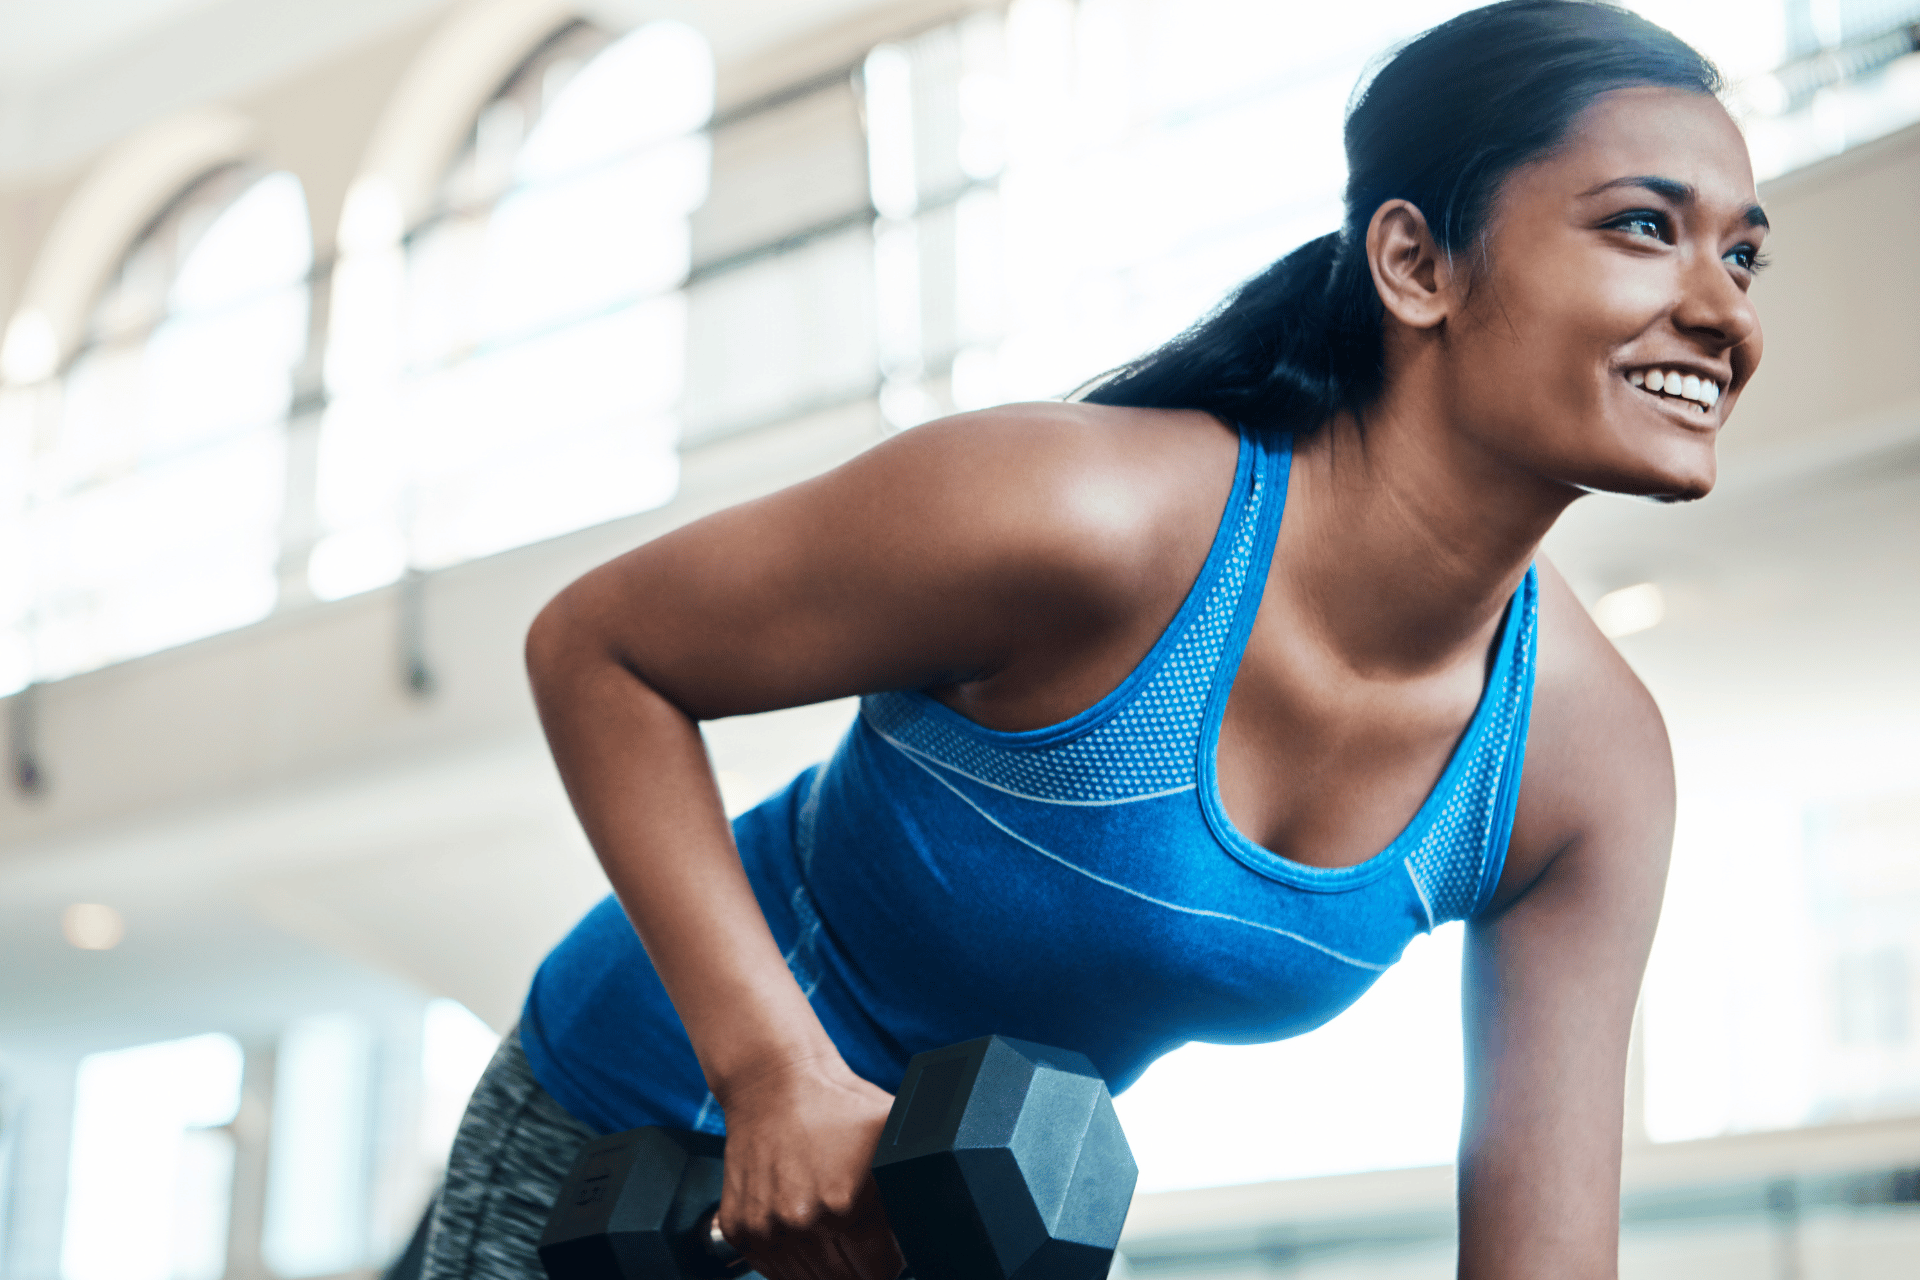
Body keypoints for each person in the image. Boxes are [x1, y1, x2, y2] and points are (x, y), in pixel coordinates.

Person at [421, 2, 1768, 1277]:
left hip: (941, 1237)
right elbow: (600, 649)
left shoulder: (1583, 766)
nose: (1723, 309)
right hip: (627, 1148)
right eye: (1646, 228)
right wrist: (774, 1072)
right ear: (1416, 264)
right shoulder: (1089, 517)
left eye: (1745, 253)